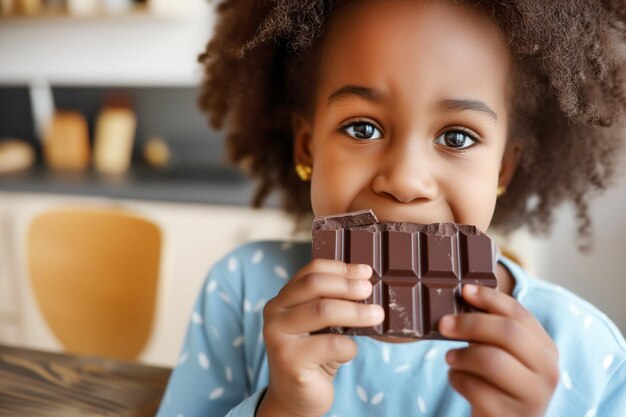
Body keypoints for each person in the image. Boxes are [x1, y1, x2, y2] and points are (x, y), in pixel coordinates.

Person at [156, 1, 626, 416]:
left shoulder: (582, 351)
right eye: (362, 128)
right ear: (307, 149)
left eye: (457, 137)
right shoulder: (241, 291)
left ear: (502, 170)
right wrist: (281, 409)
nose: (404, 180)